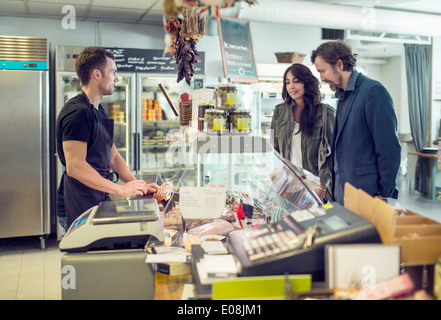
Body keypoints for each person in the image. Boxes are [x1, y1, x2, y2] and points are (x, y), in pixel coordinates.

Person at [56, 47, 162, 228]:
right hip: (79, 201)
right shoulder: (78, 113)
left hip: (98, 196)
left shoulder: (98, 110)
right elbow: (75, 166)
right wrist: (120, 189)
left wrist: (136, 184)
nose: (117, 78)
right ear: (97, 74)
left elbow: (113, 156)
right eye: (113, 72)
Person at [310, 40, 401, 205]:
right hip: (342, 195)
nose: (322, 79)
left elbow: (389, 148)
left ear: (339, 64)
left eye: (323, 71)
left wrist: (383, 192)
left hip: (368, 195)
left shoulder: (373, 91)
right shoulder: (343, 96)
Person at [271, 63, 335, 202]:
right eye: (287, 82)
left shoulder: (325, 113)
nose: (291, 87)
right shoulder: (279, 112)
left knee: (312, 223)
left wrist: (322, 186)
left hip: (315, 186)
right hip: (289, 185)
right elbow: (274, 150)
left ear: (307, 83)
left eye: (296, 81)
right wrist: (275, 178)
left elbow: (331, 156)